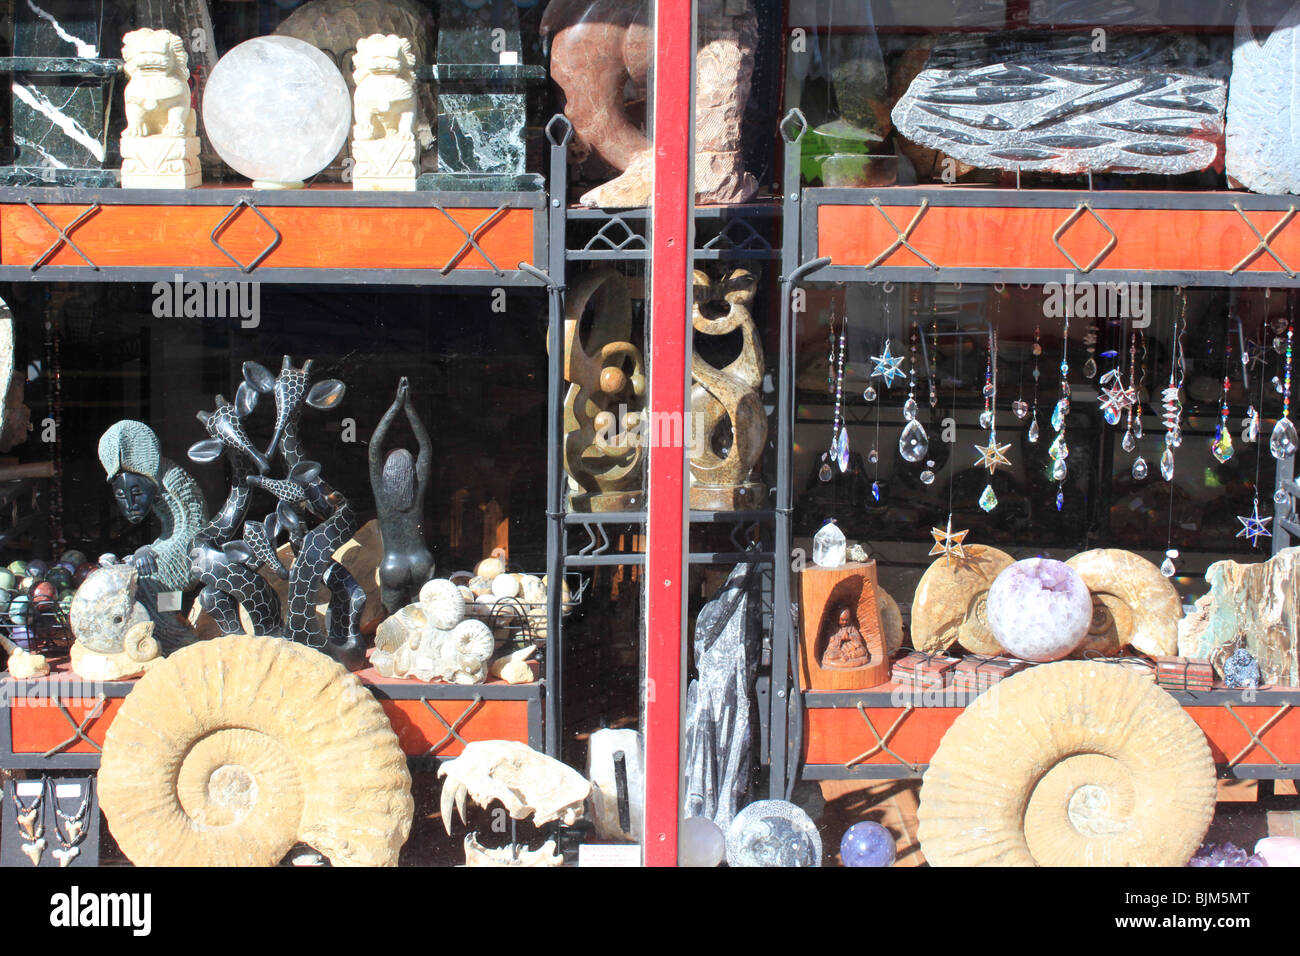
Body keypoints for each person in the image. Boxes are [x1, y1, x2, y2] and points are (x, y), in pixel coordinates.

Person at [369, 377, 434, 611]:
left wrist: (396, 405)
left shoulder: (383, 494)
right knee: (421, 621)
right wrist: (409, 407)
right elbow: (425, 447)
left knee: (393, 625)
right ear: (411, 469)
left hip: (393, 565)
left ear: (386, 471)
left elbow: (374, 446)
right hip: (420, 561)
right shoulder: (416, 490)